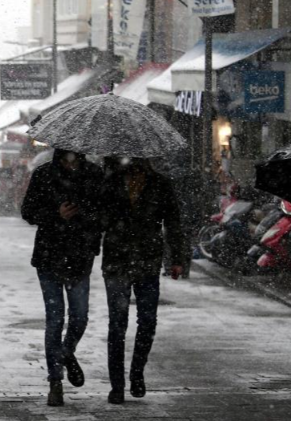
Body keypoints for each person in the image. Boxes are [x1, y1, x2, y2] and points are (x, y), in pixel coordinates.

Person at [99, 157, 186, 404]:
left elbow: (173, 222)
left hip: (148, 259)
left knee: (147, 321)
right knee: (117, 323)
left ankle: (137, 373)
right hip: (117, 259)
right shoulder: (111, 182)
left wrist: (177, 258)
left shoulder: (160, 184)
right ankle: (117, 384)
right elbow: (99, 219)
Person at [21, 149, 103, 407]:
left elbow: (104, 214)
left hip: (80, 256)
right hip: (49, 255)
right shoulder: (44, 174)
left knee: (79, 316)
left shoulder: (94, 174)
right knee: (55, 319)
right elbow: (28, 211)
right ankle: (55, 381)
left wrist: (83, 214)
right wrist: (56, 214)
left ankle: (66, 352)